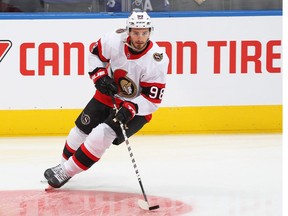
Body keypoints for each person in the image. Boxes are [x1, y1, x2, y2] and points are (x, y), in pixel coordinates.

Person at [44, 10, 169, 189]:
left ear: (150, 32)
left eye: (144, 32)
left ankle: (67, 171)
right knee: (79, 130)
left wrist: (131, 107)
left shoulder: (157, 60)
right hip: (108, 95)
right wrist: (99, 76)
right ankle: (61, 165)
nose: (140, 37)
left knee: (101, 133)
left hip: (137, 107)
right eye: (135, 32)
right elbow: (95, 55)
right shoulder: (114, 40)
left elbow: (152, 100)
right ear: (128, 31)